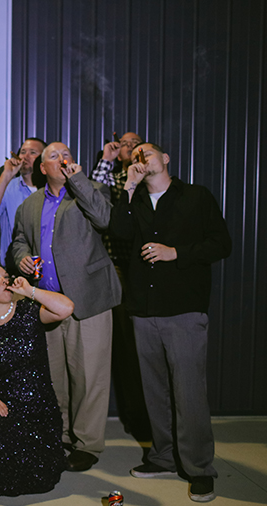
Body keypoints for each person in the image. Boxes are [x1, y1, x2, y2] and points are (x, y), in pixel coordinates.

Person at [110, 143, 231, 502]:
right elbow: (118, 232)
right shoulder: (134, 199)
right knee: (155, 391)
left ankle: (199, 468)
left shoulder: (195, 196)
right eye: (135, 156)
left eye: (147, 152)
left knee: (188, 392)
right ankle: (163, 457)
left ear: (165, 159)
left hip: (183, 308)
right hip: (143, 309)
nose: (140, 157)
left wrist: (175, 253)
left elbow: (221, 243)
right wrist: (129, 186)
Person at [11, 142, 121, 472]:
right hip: (49, 302)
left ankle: (87, 444)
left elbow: (104, 219)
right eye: (54, 156)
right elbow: (19, 240)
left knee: (89, 377)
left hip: (89, 299)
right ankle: (59, 435)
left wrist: (78, 180)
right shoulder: (29, 205)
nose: (62, 158)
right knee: (53, 378)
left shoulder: (91, 189)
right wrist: (22, 258)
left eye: (67, 154)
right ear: (43, 168)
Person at [0, 262, 74, 496]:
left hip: (39, 407)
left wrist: (29, 291)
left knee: (37, 469)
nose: (4, 280)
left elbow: (66, 308)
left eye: (5, 276)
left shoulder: (29, 311)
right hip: (2, 406)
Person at [90, 132, 152, 440]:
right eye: (124, 143)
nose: (129, 146)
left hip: (148, 267)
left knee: (144, 348)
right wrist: (107, 158)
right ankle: (135, 417)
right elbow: (90, 193)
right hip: (118, 269)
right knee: (125, 348)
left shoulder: (149, 180)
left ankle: (148, 417)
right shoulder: (115, 179)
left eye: (135, 142)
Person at [0, 137, 47, 270]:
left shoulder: (51, 191)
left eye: (32, 153)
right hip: (13, 268)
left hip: (46, 268)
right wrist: (6, 175)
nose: (25, 156)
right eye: (23, 152)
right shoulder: (7, 188)